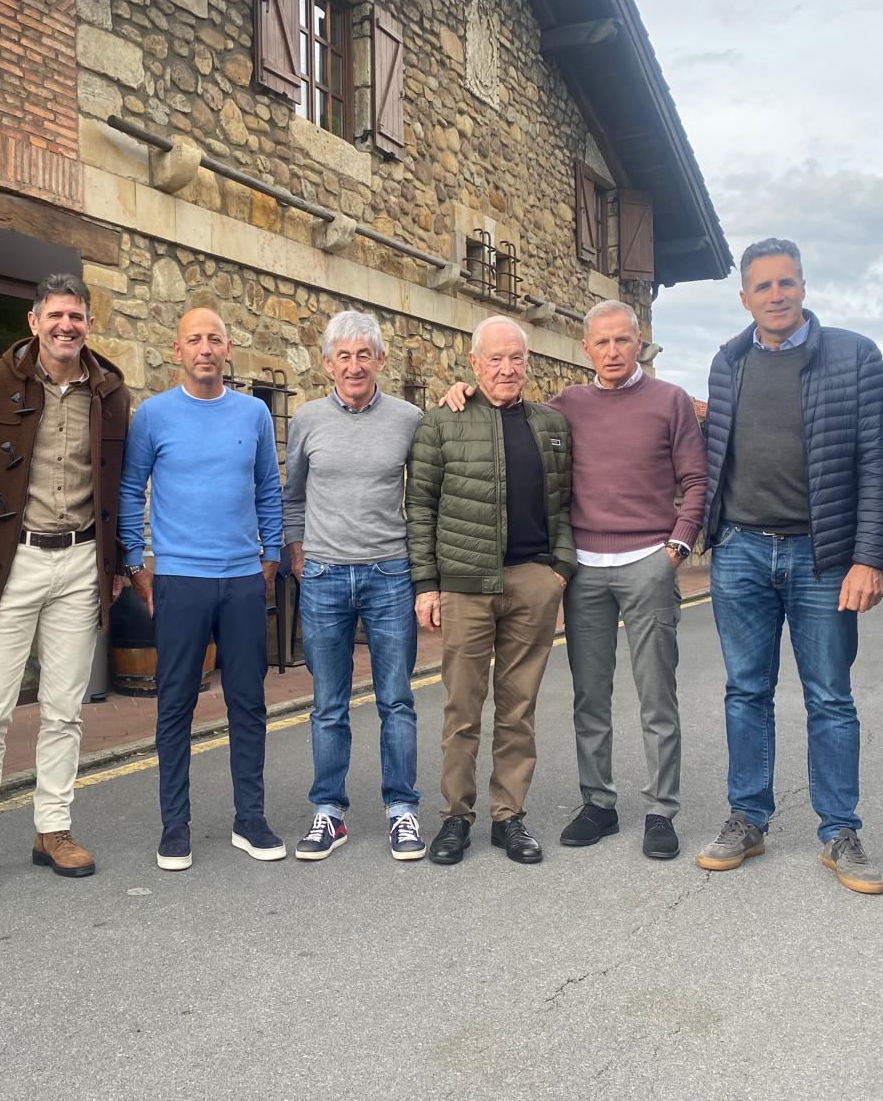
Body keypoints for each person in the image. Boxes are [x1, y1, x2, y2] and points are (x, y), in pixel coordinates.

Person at [441, 300, 706, 859]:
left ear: (640, 344)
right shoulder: (564, 408)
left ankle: (662, 809)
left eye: (623, 341)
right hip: (585, 568)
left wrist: (676, 549)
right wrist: (459, 392)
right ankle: (599, 803)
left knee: (657, 693)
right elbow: (503, 411)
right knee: (591, 694)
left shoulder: (670, 401)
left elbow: (696, 479)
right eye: (601, 343)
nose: (612, 352)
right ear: (585, 349)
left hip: (648, 564)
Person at [697, 237, 883, 894]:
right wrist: (712, 537)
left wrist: (869, 556)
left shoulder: (853, 355)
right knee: (745, 691)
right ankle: (747, 818)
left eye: (787, 283)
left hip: (823, 554)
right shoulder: (727, 362)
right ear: (745, 296)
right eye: (763, 286)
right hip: (742, 550)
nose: (776, 295)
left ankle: (840, 830)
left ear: (803, 287)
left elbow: (874, 463)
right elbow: (713, 450)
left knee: (830, 697)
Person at [0, 272, 131, 897]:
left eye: (76, 317)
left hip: (80, 563)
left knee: (64, 710)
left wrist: (122, 560)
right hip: (9, 562)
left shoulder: (111, 391)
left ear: (88, 324)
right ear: (34, 321)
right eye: (55, 316)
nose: (66, 327)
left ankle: (53, 829)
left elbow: (119, 483)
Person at [118, 307, 284, 871]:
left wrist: (273, 554)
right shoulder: (154, 416)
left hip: (241, 578)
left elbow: (268, 487)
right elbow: (129, 490)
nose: (205, 348)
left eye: (215, 339)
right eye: (195, 340)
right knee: (176, 703)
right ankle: (175, 826)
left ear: (229, 349)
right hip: (180, 579)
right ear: (178, 350)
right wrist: (136, 561)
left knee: (247, 700)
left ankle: (251, 818)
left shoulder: (255, 412)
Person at [408, 316, 574, 866]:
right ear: (474, 364)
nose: (506, 369)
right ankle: (457, 817)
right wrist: (428, 585)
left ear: (527, 362)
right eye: (495, 359)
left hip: (532, 580)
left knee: (518, 707)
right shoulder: (441, 422)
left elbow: (564, 503)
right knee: (462, 706)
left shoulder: (551, 424)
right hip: (465, 585)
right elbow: (420, 508)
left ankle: (510, 817)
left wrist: (560, 570)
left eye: (516, 358)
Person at [283, 312, 425, 862]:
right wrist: (297, 553)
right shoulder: (308, 420)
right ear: (327, 364)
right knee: (328, 704)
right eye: (343, 356)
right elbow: (292, 495)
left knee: (397, 700)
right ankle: (329, 813)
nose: (354, 365)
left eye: (364, 354)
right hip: (322, 576)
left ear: (381, 361)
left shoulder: (410, 419)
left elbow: (427, 492)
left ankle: (402, 810)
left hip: (390, 573)